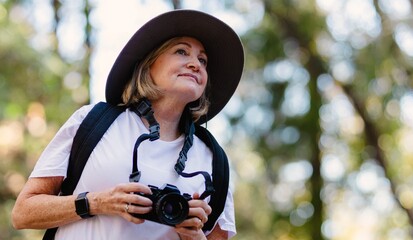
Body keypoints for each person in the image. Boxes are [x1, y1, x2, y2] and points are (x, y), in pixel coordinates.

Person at [11, 9, 244, 240]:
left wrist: (194, 237)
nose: (196, 64)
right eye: (182, 51)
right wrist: (98, 202)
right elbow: (23, 213)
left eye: (202, 60)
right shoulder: (94, 121)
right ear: (148, 64)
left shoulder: (213, 160)